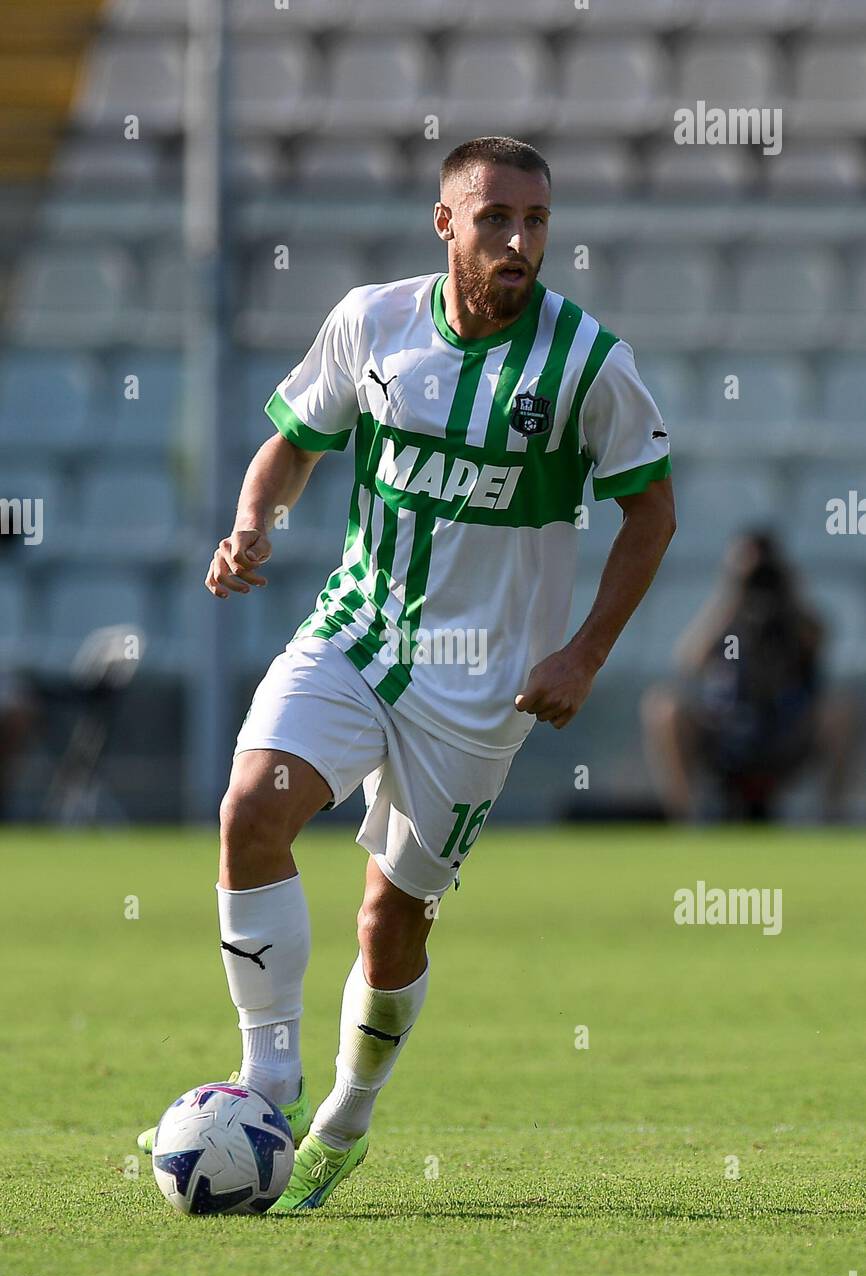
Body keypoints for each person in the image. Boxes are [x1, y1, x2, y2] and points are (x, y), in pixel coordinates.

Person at [138, 136, 675, 1211]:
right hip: (359, 630)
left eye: (536, 221)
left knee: (390, 922)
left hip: (481, 686)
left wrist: (582, 652)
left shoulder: (586, 364)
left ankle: (348, 1110)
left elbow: (649, 514)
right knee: (251, 807)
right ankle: (270, 1080)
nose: (520, 241)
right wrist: (253, 523)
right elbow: (295, 440)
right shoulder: (371, 321)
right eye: (496, 220)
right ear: (445, 225)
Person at [642, 530, 857, 821]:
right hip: (726, 730)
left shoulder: (795, 616)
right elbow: (689, 661)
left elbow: (818, 639)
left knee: (842, 710)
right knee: (664, 708)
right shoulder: (726, 615)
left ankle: (832, 815)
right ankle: (685, 818)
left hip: (785, 731)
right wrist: (730, 597)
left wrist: (790, 595)